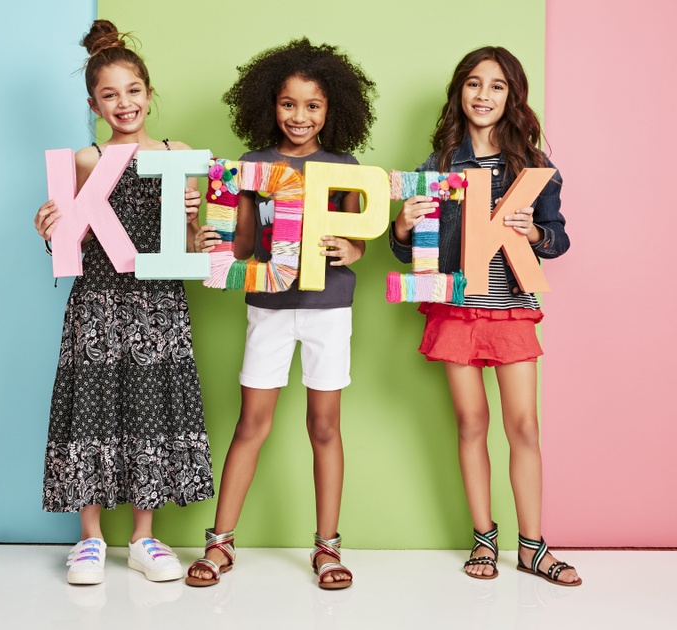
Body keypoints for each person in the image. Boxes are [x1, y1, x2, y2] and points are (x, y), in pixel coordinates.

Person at [185, 38, 377, 590]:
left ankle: (327, 548)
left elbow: (355, 237)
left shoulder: (344, 167)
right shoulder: (252, 166)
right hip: (267, 306)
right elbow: (243, 245)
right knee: (252, 423)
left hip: (327, 307)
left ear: (332, 109)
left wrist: (354, 250)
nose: (300, 116)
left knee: (325, 426)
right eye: (289, 103)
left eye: (313, 105)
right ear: (270, 104)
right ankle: (221, 543)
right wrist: (209, 238)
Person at [390, 46, 581, 586]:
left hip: (511, 310)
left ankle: (533, 546)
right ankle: (483, 540)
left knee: (524, 425)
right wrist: (402, 226)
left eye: (496, 86)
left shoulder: (537, 167)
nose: (483, 95)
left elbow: (558, 239)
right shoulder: (438, 167)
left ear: (512, 97)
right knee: (471, 424)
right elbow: (408, 253)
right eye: (474, 84)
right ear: (459, 93)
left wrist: (535, 233)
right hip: (456, 310)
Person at [34, 19, 213, 586]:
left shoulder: (178, 154)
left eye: (133, 91)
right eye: (110, 95)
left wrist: (192, 221)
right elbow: (73, 244)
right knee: (93, 408)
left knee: (149, 410)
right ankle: (90, 540)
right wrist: (51, 229)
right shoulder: (86, 161)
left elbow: (189, 248)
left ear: (150, 94)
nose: (124, 103)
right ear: (94, 104)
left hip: (159, 304)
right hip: (101, 302)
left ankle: (143, 536)